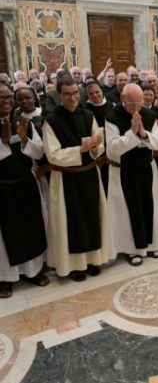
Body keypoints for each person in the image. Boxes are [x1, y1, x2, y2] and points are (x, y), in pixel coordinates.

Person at [43, 75, 112, 281]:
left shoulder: (88, 115)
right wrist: (80, 149)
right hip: (66, 178)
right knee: (72, 223)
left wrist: (95, 146)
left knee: (92, 218)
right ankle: (74, 266)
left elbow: (100, 144)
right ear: (59, 95)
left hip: (89, 174)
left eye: (75, 93)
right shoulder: (51, 120)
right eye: (67, 94)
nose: (72, 98)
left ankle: (92, 260)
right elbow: (53, 155)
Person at [105, 84, 158, 266]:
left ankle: (154, 244)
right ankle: (132, 250)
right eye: (131, 102)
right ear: (122, 99)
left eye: (139, 101)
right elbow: (113, 149)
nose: (136, 106)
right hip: (123, 170)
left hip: (146, 168)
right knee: (127, 211)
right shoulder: (112, 117)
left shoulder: (149, 114)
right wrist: (132, 132)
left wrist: (142, 133)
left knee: (150, 206)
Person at [0, 83, 49, 298]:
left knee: (30, 227)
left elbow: (39, 153)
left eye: (8, 97)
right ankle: (5, 278)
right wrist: (3, 142)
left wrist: (24, 139)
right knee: (5, 237)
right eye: (1, 98)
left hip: (25, 183)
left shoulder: (23, 122)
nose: (6, 102)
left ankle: (33, 271)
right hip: (2, 187)